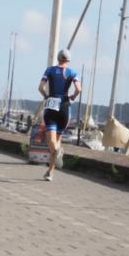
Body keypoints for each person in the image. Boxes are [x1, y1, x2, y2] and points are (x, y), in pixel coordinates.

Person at [38, 49, 81, 182]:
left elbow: (40, 87)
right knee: (57, 139)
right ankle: (50, 172)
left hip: (51, 105)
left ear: (58, 58)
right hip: (64, 107)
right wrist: (71, 98)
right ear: (68, 60)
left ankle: (57, 152)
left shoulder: (49, 70)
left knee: (51, 143)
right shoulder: (72, 72)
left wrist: (47, 97)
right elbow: (79, 89)